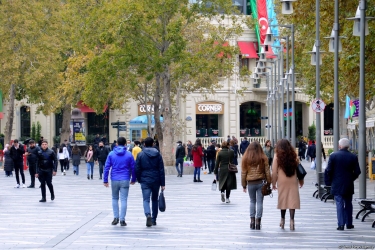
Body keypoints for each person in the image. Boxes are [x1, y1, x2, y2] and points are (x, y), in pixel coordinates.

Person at [324, 138, 361, 231]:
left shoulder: (333, 156)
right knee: (348, 203)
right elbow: (357, 171)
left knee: (339, 203)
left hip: (337, 184)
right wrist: (351, 178)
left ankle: (341, 224)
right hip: (348, 184)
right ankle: (349, 223)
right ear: (348, 146)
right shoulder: (353, 156)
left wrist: (330, 181)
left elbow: (329, 170)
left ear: (339, 146)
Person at [103, 137, 136, 227]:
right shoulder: (129, 154)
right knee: (124, 199)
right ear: (125, 144)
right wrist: (133, 179)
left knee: (114, 198)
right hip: (125, 178)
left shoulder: (111, 154)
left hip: (114, 179)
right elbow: (133, 167)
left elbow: (106, 168)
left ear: (116, 143)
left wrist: (105, 180)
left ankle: (115, 218)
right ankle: (122, 219)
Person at [271, 139, 303, 231]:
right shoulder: (294, 155)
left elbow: (274, 171)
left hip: (282, 180)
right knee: (292, 200)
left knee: (283, 199)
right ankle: (292, 221)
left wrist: (273, 183)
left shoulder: (277, 156)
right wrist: (301, 181)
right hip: (293, 179)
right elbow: (299, 169)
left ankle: (282, 220)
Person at [136, 137, 166, 227]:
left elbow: (137, 168)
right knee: (154, 199)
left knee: (146, 199)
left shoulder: (140, 154)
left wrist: (139, 179)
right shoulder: (158, 154)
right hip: (156, 179)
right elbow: (161, 169)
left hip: (145, 179)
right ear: (153, 144)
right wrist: (163, 183)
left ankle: (147, 214)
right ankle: (154, 219)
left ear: (144, 144)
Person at [241, 141, 271, 230]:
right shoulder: (263, 158)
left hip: (250, 183)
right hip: (261, 182)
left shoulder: (246, 158)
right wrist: (269, 182)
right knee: (260, 202)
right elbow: (267, 172)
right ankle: (258, 222)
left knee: (252, 201)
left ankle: (252, 221)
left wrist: (244, 185)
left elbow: (243, 173)